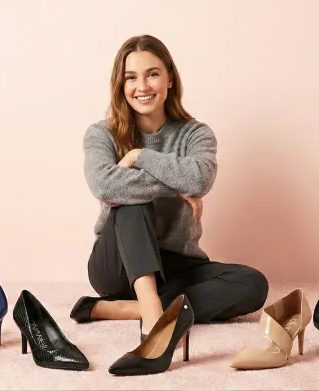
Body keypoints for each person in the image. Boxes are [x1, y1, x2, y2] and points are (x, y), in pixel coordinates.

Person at [70, 34, 269, 340]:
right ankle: (151, 313)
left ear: (170, 79)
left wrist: (140, 156)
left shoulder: (196, 134)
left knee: (252, 284)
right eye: (131, 77)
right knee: (131, 201)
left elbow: (200, 179)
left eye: (152, 74)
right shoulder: (101, 134)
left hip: (176, 264)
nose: (142, 86)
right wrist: (176, 188)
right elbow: (104, 185)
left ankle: (127, 309)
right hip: (118, 266)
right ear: (121, 85)